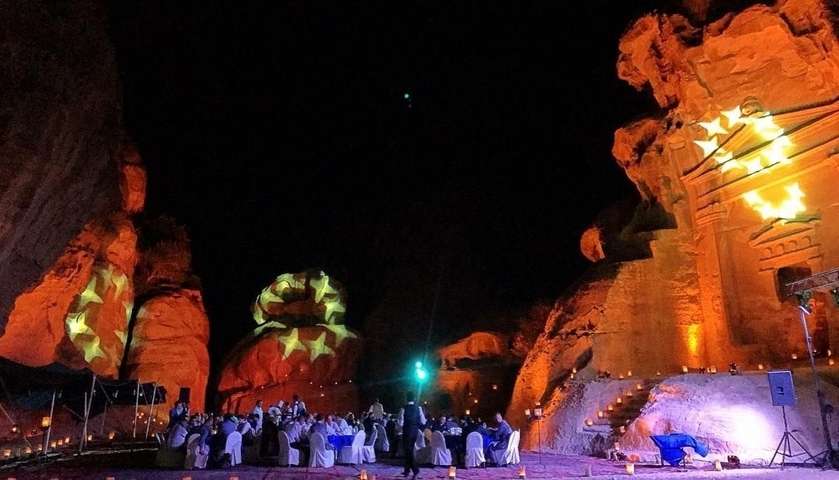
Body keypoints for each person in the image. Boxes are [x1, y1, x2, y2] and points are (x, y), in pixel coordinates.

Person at [397, 390, 426, 480]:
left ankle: (415, 470)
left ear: (406, 398)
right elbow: (423, 421)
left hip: (407, 431)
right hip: (415, 431)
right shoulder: (419, 408)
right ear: (414, 398)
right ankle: (407, 470)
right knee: (409, 450)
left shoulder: (403, 409)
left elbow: (400, 423)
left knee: (408, 451)